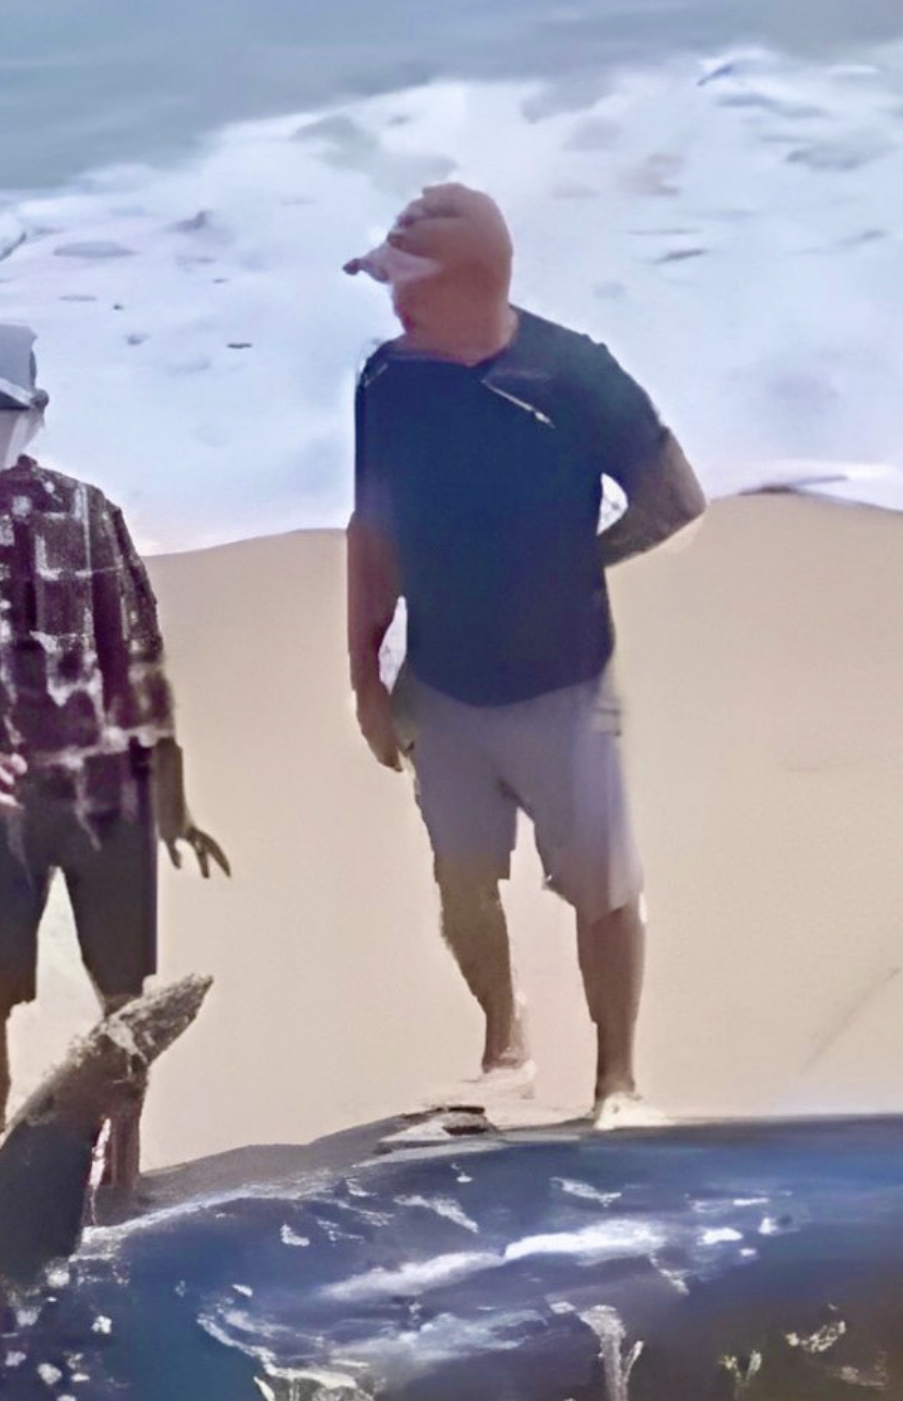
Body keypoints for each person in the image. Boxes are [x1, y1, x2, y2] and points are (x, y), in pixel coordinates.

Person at [343, 183, 706, 1126]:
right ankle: (505, 1043)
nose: (395, 304)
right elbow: (371, 530)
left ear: (473, 284)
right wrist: (364, 673)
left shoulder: (571, 377)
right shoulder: (387, 381)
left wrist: (587, 559)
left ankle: (616, 1084)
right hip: (443, 686)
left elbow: (676, 496)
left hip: (563, 687)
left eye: (409, 286)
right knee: (462, 883)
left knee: (601, 889)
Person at [0, 321, 229, 1209]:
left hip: (109, 793)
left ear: (37, 410)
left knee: (124, 992)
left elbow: (139, 656)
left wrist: (172, 794)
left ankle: (125, 1157)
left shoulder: (89, 513)